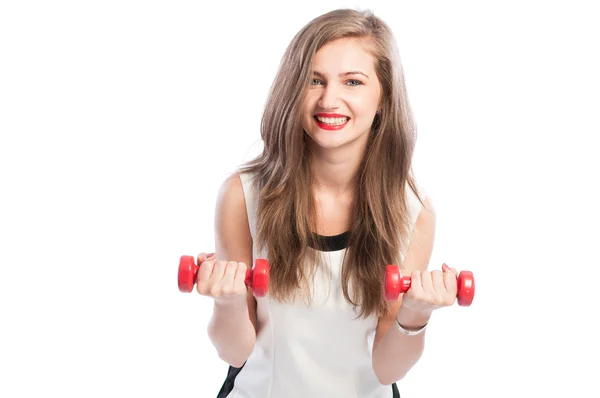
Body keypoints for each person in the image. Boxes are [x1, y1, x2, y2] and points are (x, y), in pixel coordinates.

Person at [196, 8, 459, 398]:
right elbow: (235, 350)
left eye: (352, 81)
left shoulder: (412, 211)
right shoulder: (242, 195)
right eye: (314, 81)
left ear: (382, 95)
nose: (329, 100)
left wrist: (416, 315)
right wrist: (230, 301)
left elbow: (386, 369)